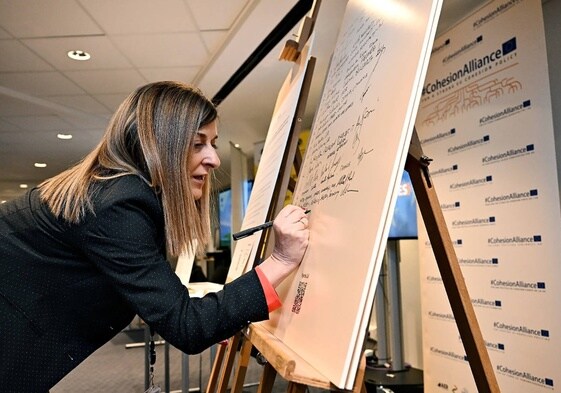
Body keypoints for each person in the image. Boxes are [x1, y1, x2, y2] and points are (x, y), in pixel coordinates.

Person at [0, 81, 310, 391]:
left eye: (213, 143)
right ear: (160, 144)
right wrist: (281, 260)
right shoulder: (117, 203)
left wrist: (224, 309)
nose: (214, 159)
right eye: (198, 143)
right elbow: (188, 326)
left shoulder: (116, 189)